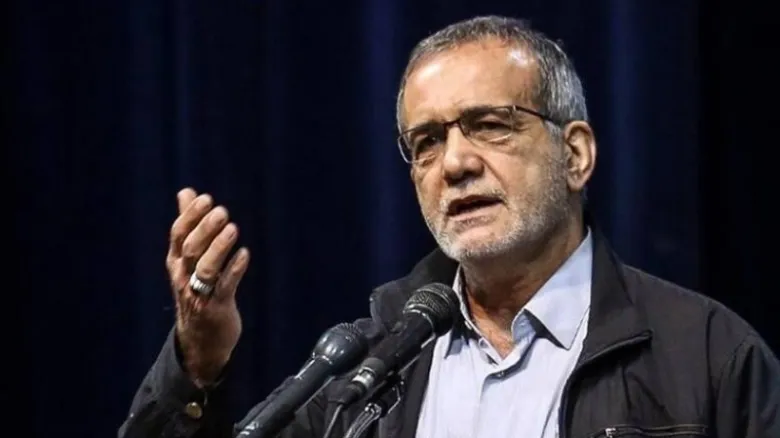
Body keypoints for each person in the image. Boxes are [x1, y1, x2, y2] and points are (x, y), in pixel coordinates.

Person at [118, 15, 780, 438]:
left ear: (575, 155)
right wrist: (196, 362)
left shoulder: (708, 357)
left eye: (490, 125)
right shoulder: (367, 371)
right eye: (427, 141)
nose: (456, 163)